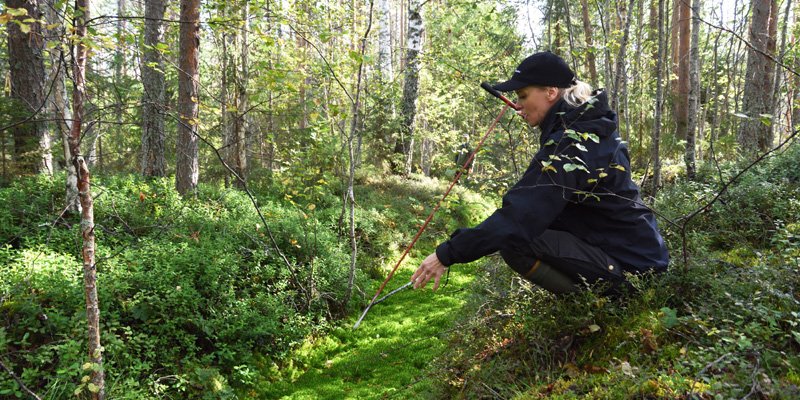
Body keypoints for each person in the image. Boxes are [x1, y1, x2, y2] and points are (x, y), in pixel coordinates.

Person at [411, 51, 669, 294]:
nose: (517, 105)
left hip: (635, 270)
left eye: (523, 95)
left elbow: (519, 218)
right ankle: (594, 305)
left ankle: (596, 309)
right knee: (525, 231)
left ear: (550, 92)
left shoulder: (571, 145)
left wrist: (447, 254)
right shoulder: (585, 131)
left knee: (516, 242)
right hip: (639, 259)